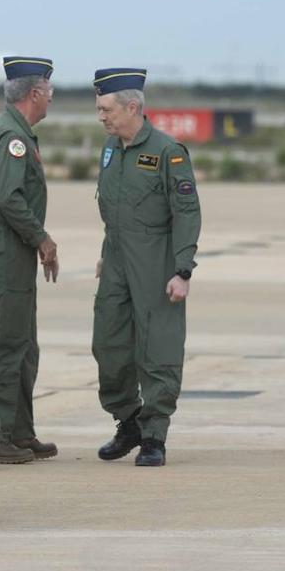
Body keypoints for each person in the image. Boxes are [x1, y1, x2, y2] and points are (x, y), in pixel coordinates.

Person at [91, 68, 201, 467]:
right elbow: (112, 209)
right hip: (117, 261)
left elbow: (187, 213)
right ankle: (129, 419)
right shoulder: (109, 149)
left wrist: (183, 269)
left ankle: (155, 434)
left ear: (132, 107)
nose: (101, 116)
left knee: (158, 349)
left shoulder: (168, 151)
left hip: (157, 263)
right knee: (108, 344)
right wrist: (107, 253)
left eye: (106, 109)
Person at [0, 57, 60, 463]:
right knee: (3, 346)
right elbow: (9, 198)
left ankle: (20, 431)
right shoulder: (12, 137)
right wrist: (41, 238)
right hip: (5, 257)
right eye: (49, 91)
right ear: (34, 94)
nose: (51, 98)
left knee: (24, 347)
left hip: (16, 258)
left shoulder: (18, 133)